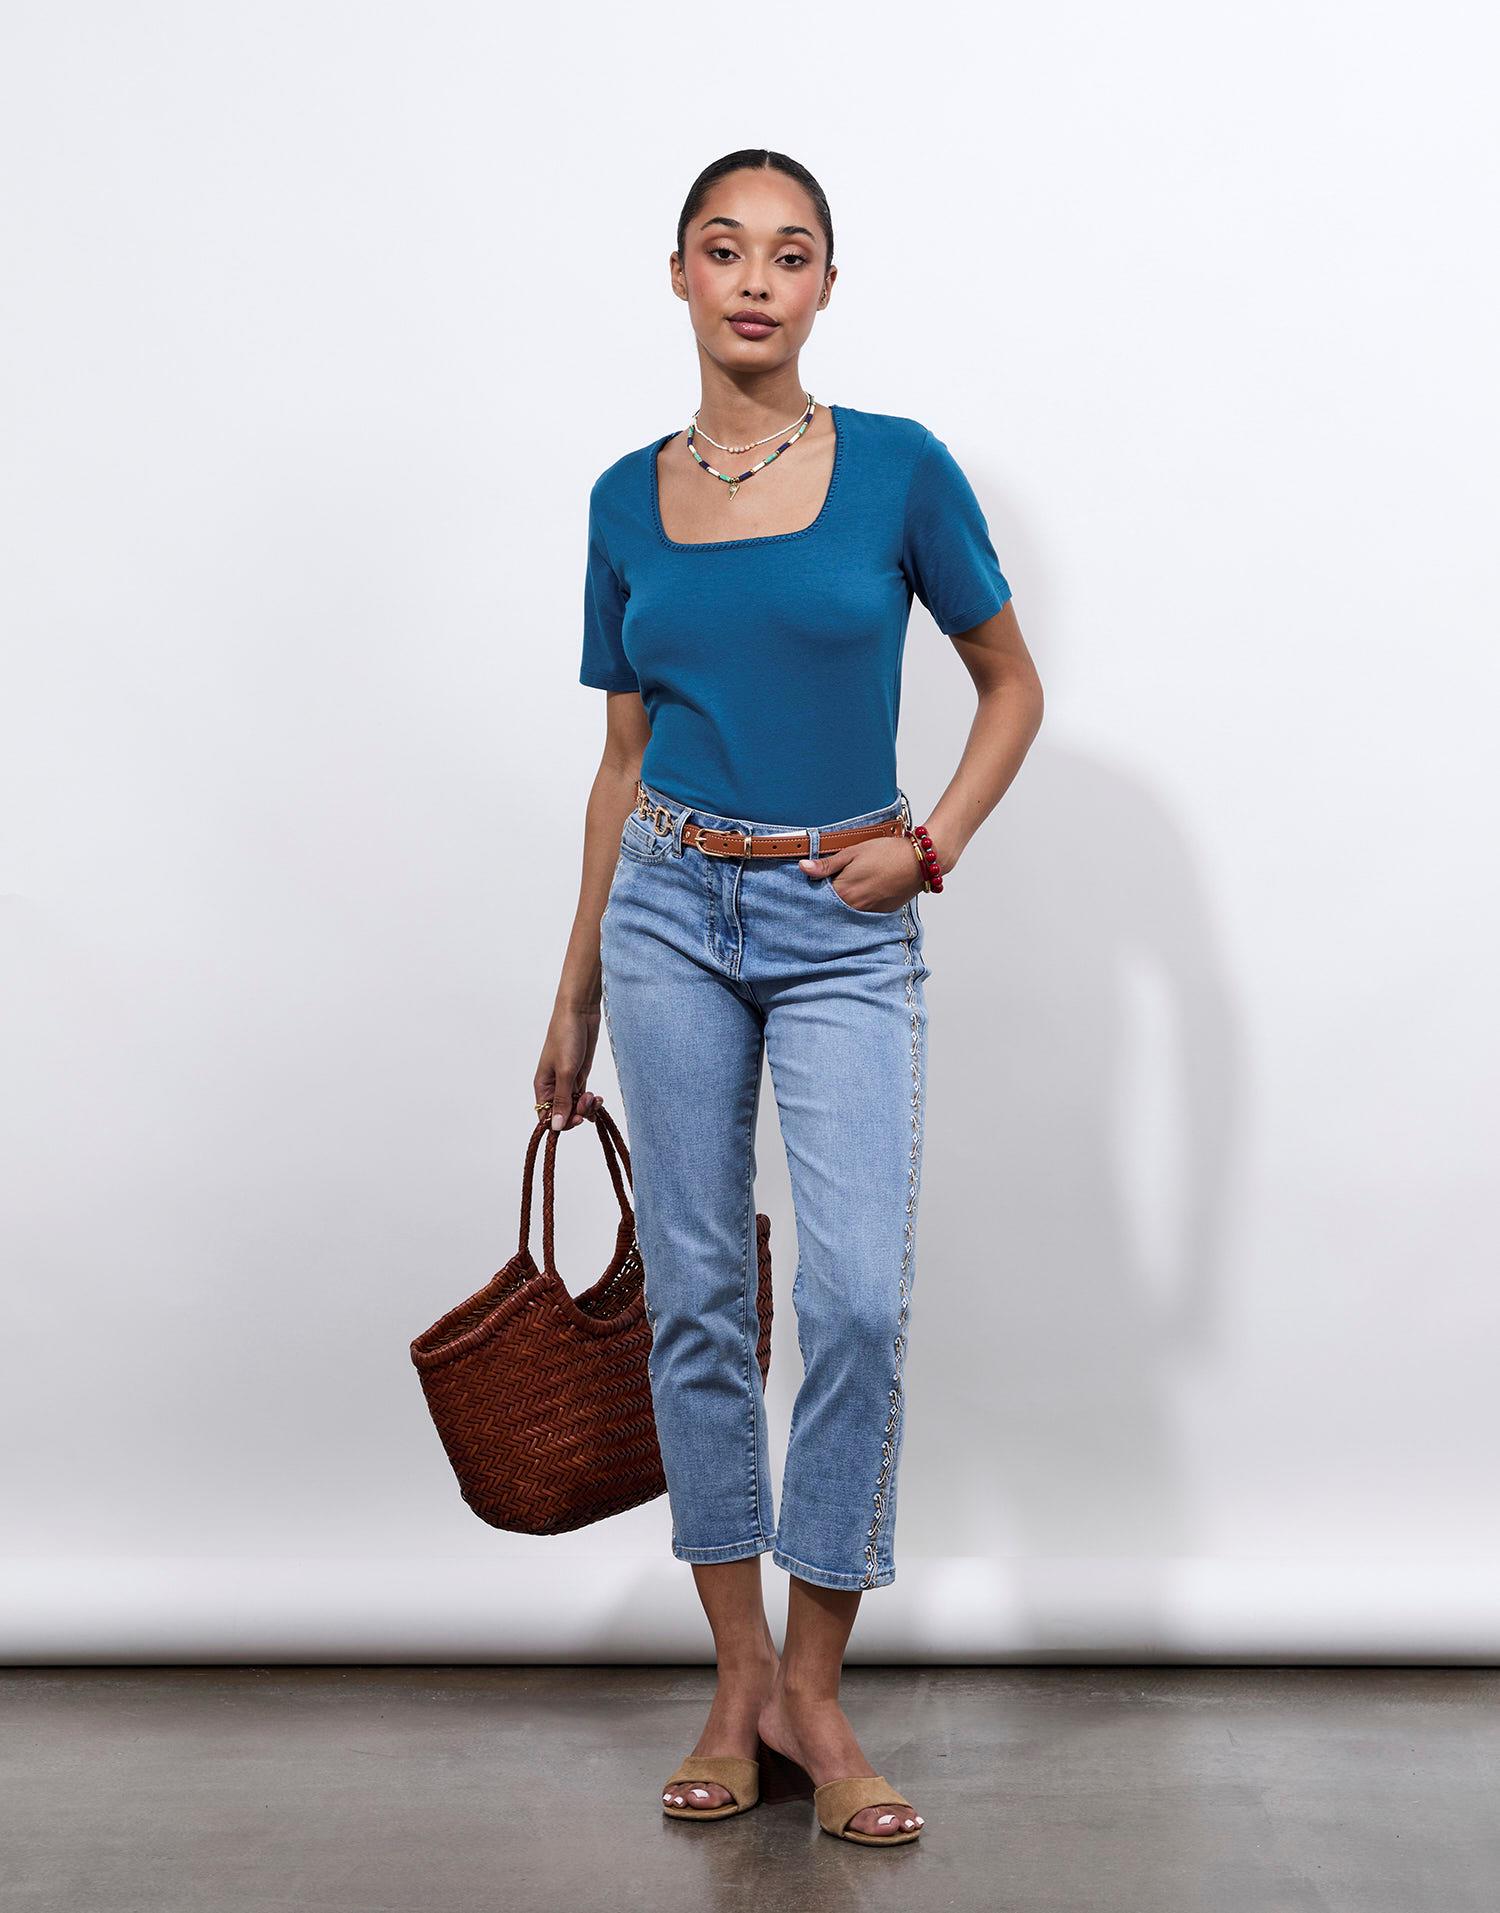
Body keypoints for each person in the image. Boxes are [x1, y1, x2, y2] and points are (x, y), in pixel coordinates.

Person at [535, 148, 1044, 1846]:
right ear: (678, 273)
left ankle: (817, 1688)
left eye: (791, 253)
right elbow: (620, 760)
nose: (756, 279)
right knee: (693, 1297)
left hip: (844, 918)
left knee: (856, 1302)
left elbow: (1010, 684)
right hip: (669, 911)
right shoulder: (622, 499)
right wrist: (574, 986)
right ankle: (740, 1677)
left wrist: (932, 844)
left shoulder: (899, 469)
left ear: (827, 284)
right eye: (725, 248)